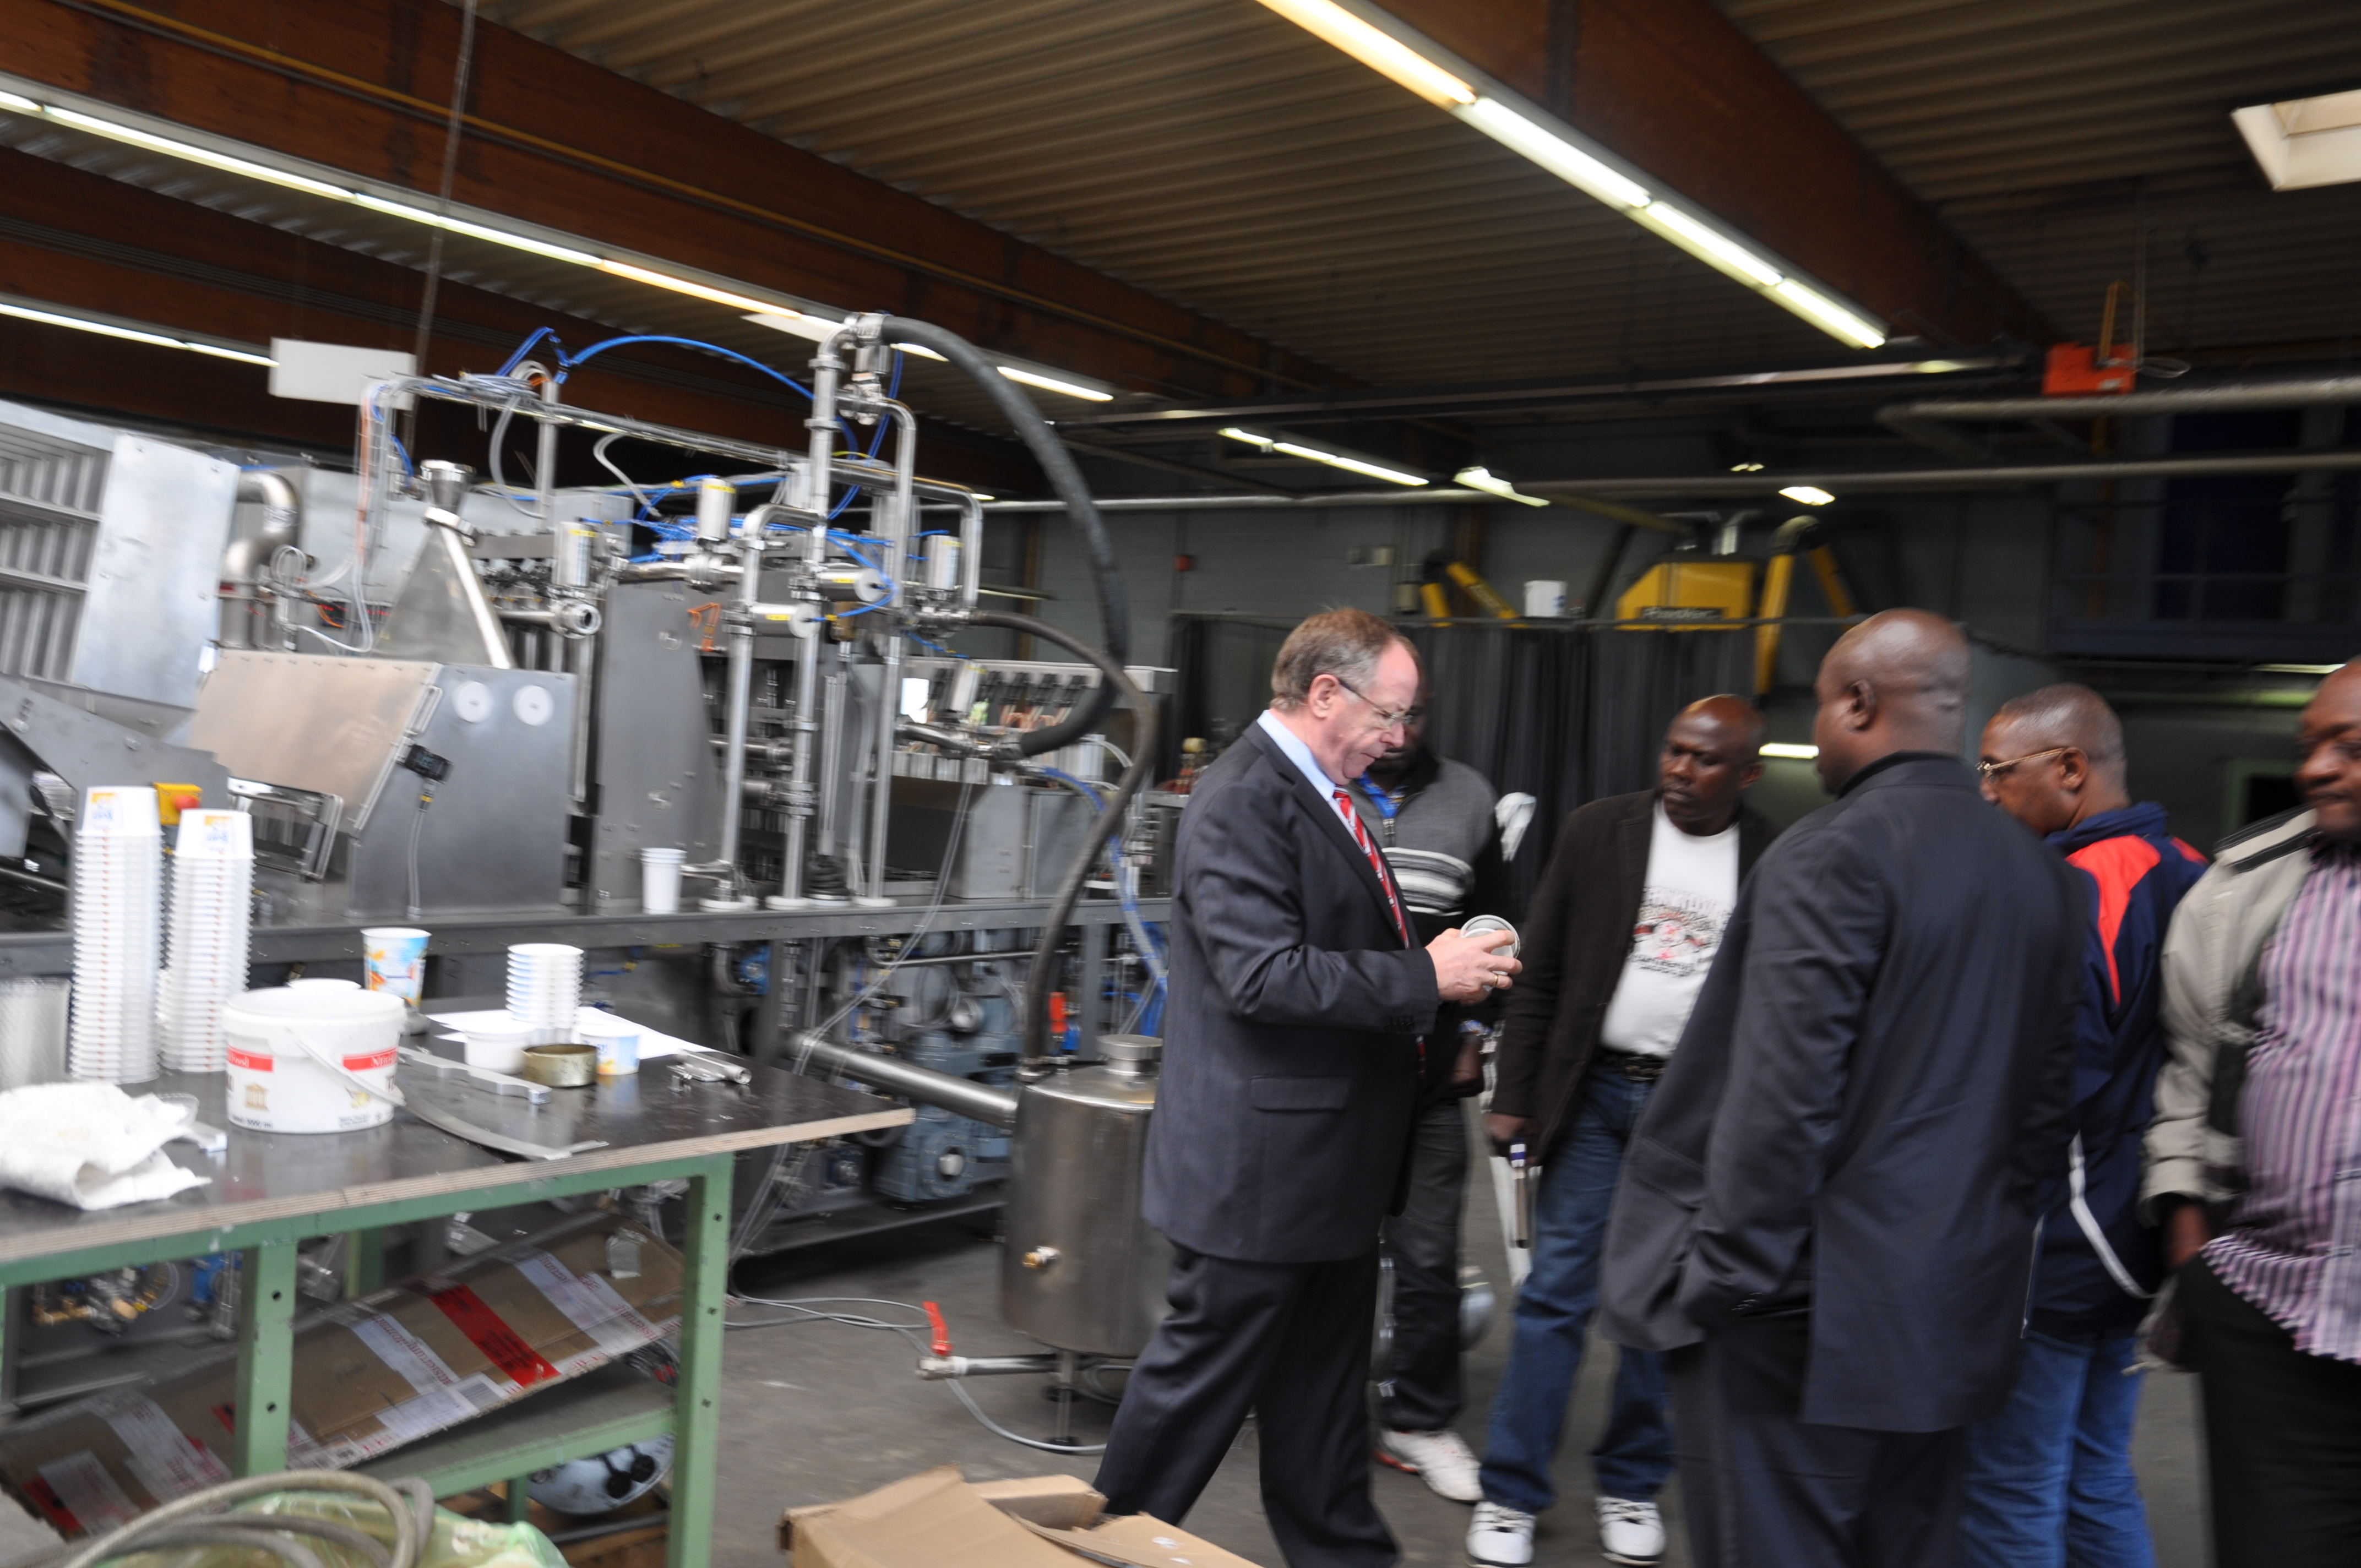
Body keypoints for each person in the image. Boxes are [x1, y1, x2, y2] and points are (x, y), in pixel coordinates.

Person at [1598, 609, 2081, 1568]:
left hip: (1799, 1324)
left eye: (1819, 709)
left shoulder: (1828, 854)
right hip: (1950, 1312)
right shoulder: (2045, 878)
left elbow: (1779, 1105)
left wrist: (1720, 1286)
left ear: (1858, 704)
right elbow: (2046, 1110)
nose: (1815, 736)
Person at [1094, 607, 1520, 1568]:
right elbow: (1263, 976)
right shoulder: (1245, 797)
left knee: (1322, 1410)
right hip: (1263, 1176)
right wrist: (1427, 974)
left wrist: (1447, 971)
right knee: (1191, 1401)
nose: (1398, 737)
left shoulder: (1327, 793)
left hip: (1325, 1172)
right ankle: (1098, 1553)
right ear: (1326, 693)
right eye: (1388, 713)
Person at [1466, 695, 1775, 1568]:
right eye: (1675, 751)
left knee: (1662, 1306)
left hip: (1693, 1112)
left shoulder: (1773, 855)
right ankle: (1510, 1495)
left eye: (1705, 760)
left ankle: (1632, 1481)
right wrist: (1514, 1091)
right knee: (1557, 1295)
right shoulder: (1600, 830)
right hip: (1595, 1095)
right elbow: (1541, 969)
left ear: (1746, 774)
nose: (1681, 769)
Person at [1962, 684, 2205, 1568]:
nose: (1986, 791)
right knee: (2095, 1474)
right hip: (2137, 1234)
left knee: (2010, 1490)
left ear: (2069, 767)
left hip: (2056, 1243)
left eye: (1998, 771)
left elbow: (2049, 1085)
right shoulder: (2191, 867)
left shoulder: (2073, 885)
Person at [2145, 658, 2361, 1567]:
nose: (2315, 769)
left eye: (2348, 748)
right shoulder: (2245, 886)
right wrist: (2192, 1248)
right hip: (2273, 1320)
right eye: (2311, 745)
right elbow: (2190, 1071)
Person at [1345, 683, 1515, 1505]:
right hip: (1334, 1072)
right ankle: (1319, 1403)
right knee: (1320, 1247)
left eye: (1412, 715)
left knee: (1428, 1257)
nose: (1399, 730)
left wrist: (1476, 1036)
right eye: (1386, 714)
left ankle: (1418, 1417)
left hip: (1431, 1076)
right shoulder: (1326, 787)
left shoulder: (1470, 797)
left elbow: (1498, 926)